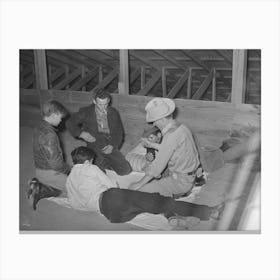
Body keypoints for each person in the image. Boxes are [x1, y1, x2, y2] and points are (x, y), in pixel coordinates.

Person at [65, 146, 224, 225]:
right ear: (87, 161)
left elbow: (74, 204)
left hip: (112, 216)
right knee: (158, 201)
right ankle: (208, 212)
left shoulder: (69, 180)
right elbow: (110, 186)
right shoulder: (90, 168)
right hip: (111, 199)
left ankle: (173, 216)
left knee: (149, 204)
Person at [128, 98, 201, 198]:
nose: (154, 124)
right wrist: (152, 144)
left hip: (181, 181)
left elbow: (156, 169)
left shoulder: (170, 135)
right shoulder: (181, 127)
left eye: (154, 121)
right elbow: (170, 148)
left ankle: (177, 194)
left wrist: (138, 184)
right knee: (154, 176)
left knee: (140, 192)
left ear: (162, 119)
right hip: (190, 175)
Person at [66, 88, 132, 175]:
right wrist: (81, 133)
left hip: (109, 143)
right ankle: (102, 162)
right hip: (94, 144)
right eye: (100, 104)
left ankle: (106, 162)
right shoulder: (86, 111)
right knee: (100, 174)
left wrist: (112, 145)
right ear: (94, 101)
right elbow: (70, 122)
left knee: (125, 170)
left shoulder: (113, 112)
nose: (103, 108)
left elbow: (119, 132)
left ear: (109, 101)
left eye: (106, 104)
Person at [32, 100, 70, 197]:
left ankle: (42, 182)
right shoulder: (49, 136)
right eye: (60, 118)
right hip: (49, 172)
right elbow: (56, 164)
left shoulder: (39, 125)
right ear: (54, 115)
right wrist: (67, 169)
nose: (61, 120)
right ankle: (41, 189)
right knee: (74, 191)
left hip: (40, 167)